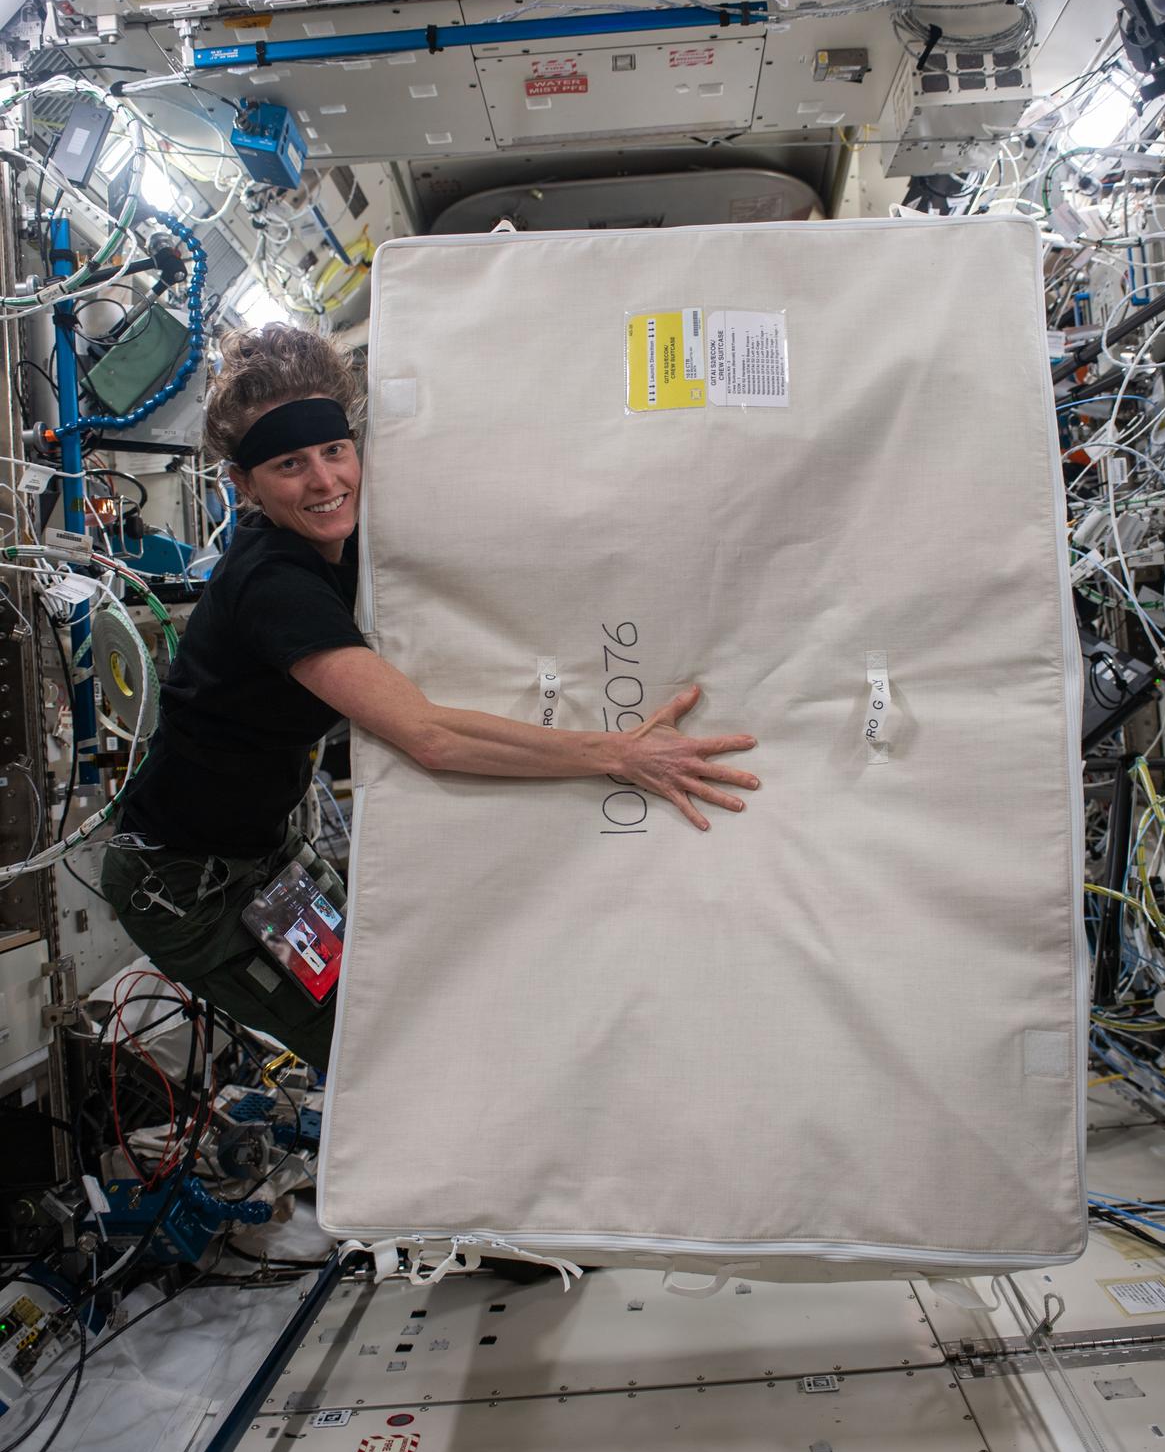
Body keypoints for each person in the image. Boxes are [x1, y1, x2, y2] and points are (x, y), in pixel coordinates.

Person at [101, 325, 759, 1068]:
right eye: (289, 464)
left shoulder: (352, 542)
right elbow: (430, 737)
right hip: (187, 883)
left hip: (264, 853)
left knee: (395, 993)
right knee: (372, 1045)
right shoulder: (273, 586)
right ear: (245, 486)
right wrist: (622, 754)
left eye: (334, 450)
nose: (324, 480)